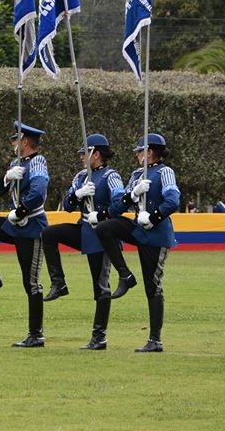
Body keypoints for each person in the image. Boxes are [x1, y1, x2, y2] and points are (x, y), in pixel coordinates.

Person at [97, 132, 180, 353]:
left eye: (139, 151)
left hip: (156, 234)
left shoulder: (165, 172)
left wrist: (153, 218)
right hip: (137, 228)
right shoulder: (136, 175)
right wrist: (133, 194)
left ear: (149, 152)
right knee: (105, 228)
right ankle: (125, 275)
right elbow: (117, 208)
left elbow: (173, 201)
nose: (137, 155)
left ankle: (155, 339)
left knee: (152, 286)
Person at [41, 133, 125, 350]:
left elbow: (119, 202)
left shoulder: (111, 176)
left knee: (100, 286)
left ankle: (99, 337)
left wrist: (102, 214)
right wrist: (78, 194)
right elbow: (67, 205)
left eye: (85, 152)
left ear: (96, 154)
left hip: (102, 234)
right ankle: (59, 283)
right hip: (83, 228)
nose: (81, 157)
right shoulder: (80, 177)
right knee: (49, 234)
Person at [0, 121, 49, 348]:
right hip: (15, 225)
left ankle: (36, 334)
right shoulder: (18, 163)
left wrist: (22, 210)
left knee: (31, 282)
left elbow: (39, 188)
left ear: (25, 141)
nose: (13, 143)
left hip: (31, 225)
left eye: (16, 139)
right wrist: (6, 178)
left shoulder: (37, 161)